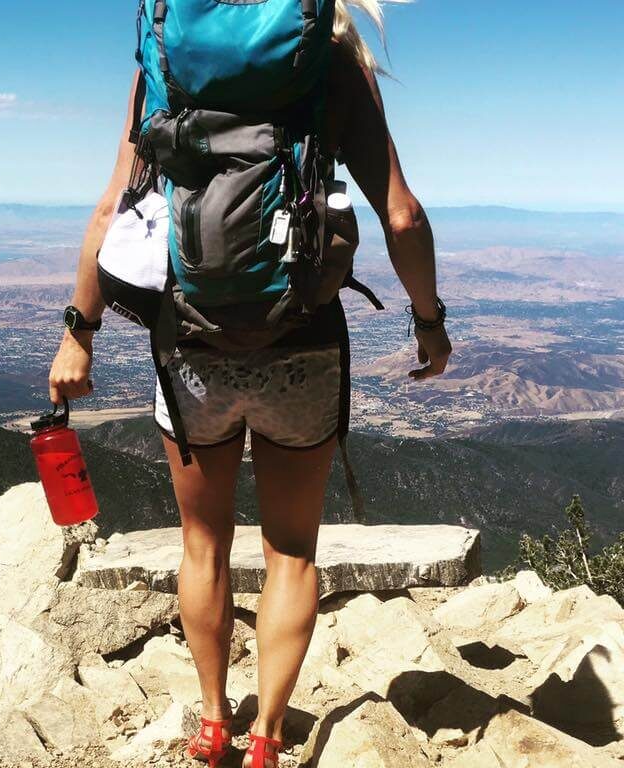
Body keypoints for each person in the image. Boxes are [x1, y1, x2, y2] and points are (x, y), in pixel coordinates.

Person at [49, 1, 451, 765]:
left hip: (191, 342)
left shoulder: (166, 63)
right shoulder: (330, 56)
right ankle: (266, 735)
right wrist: (429, 320)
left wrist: (80, 334)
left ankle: (210, 721)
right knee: (291, 551)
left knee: (202, 545)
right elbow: (401, 216)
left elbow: (112, 208)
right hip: (302, 341)